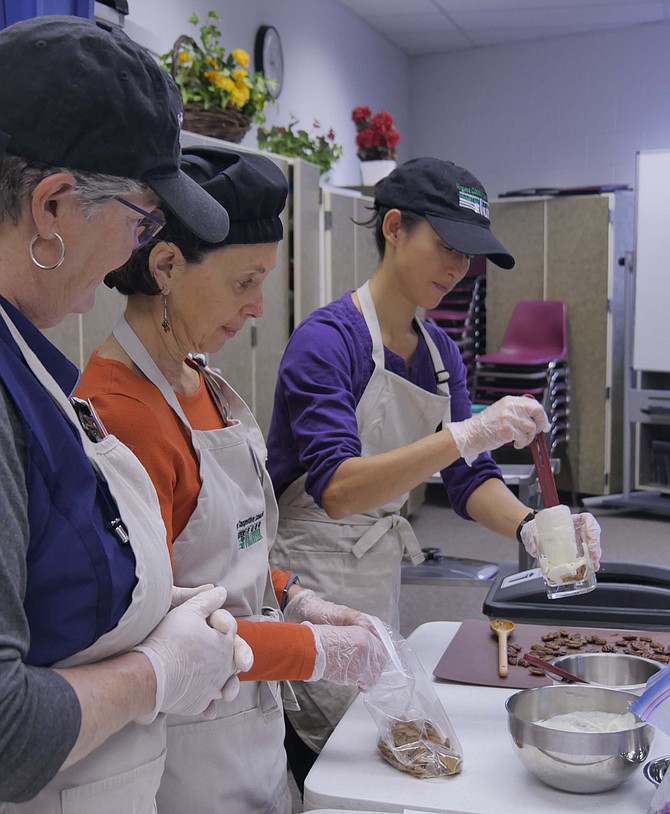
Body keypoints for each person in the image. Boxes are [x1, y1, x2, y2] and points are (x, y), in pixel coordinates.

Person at [266, 156, 603, 787]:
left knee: (383, 737)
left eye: (469, 255)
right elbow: (338, 491)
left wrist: (535, 529)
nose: (458, 269)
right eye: (445, 245)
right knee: (326, 756)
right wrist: (465, 432)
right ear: (393, 228)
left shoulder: (442, 355)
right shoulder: (327, 341)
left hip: (376, 570)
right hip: (309, 576)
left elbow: (469, 482)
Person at [76, 146, 387, 814]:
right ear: (165, 267)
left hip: (251, 718)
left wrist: (293, 594)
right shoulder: (121, 414)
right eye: (244, 281)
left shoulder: (201, 381)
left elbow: (223, 550)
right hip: (188, 748)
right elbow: (159, 631)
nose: (258, 306)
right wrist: (316, 651)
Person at [0, 16, 248, 812]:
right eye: (141, 224)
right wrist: (156, 673)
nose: (129, 259)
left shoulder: (29, 356)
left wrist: (141, 610)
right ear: (52, 206)